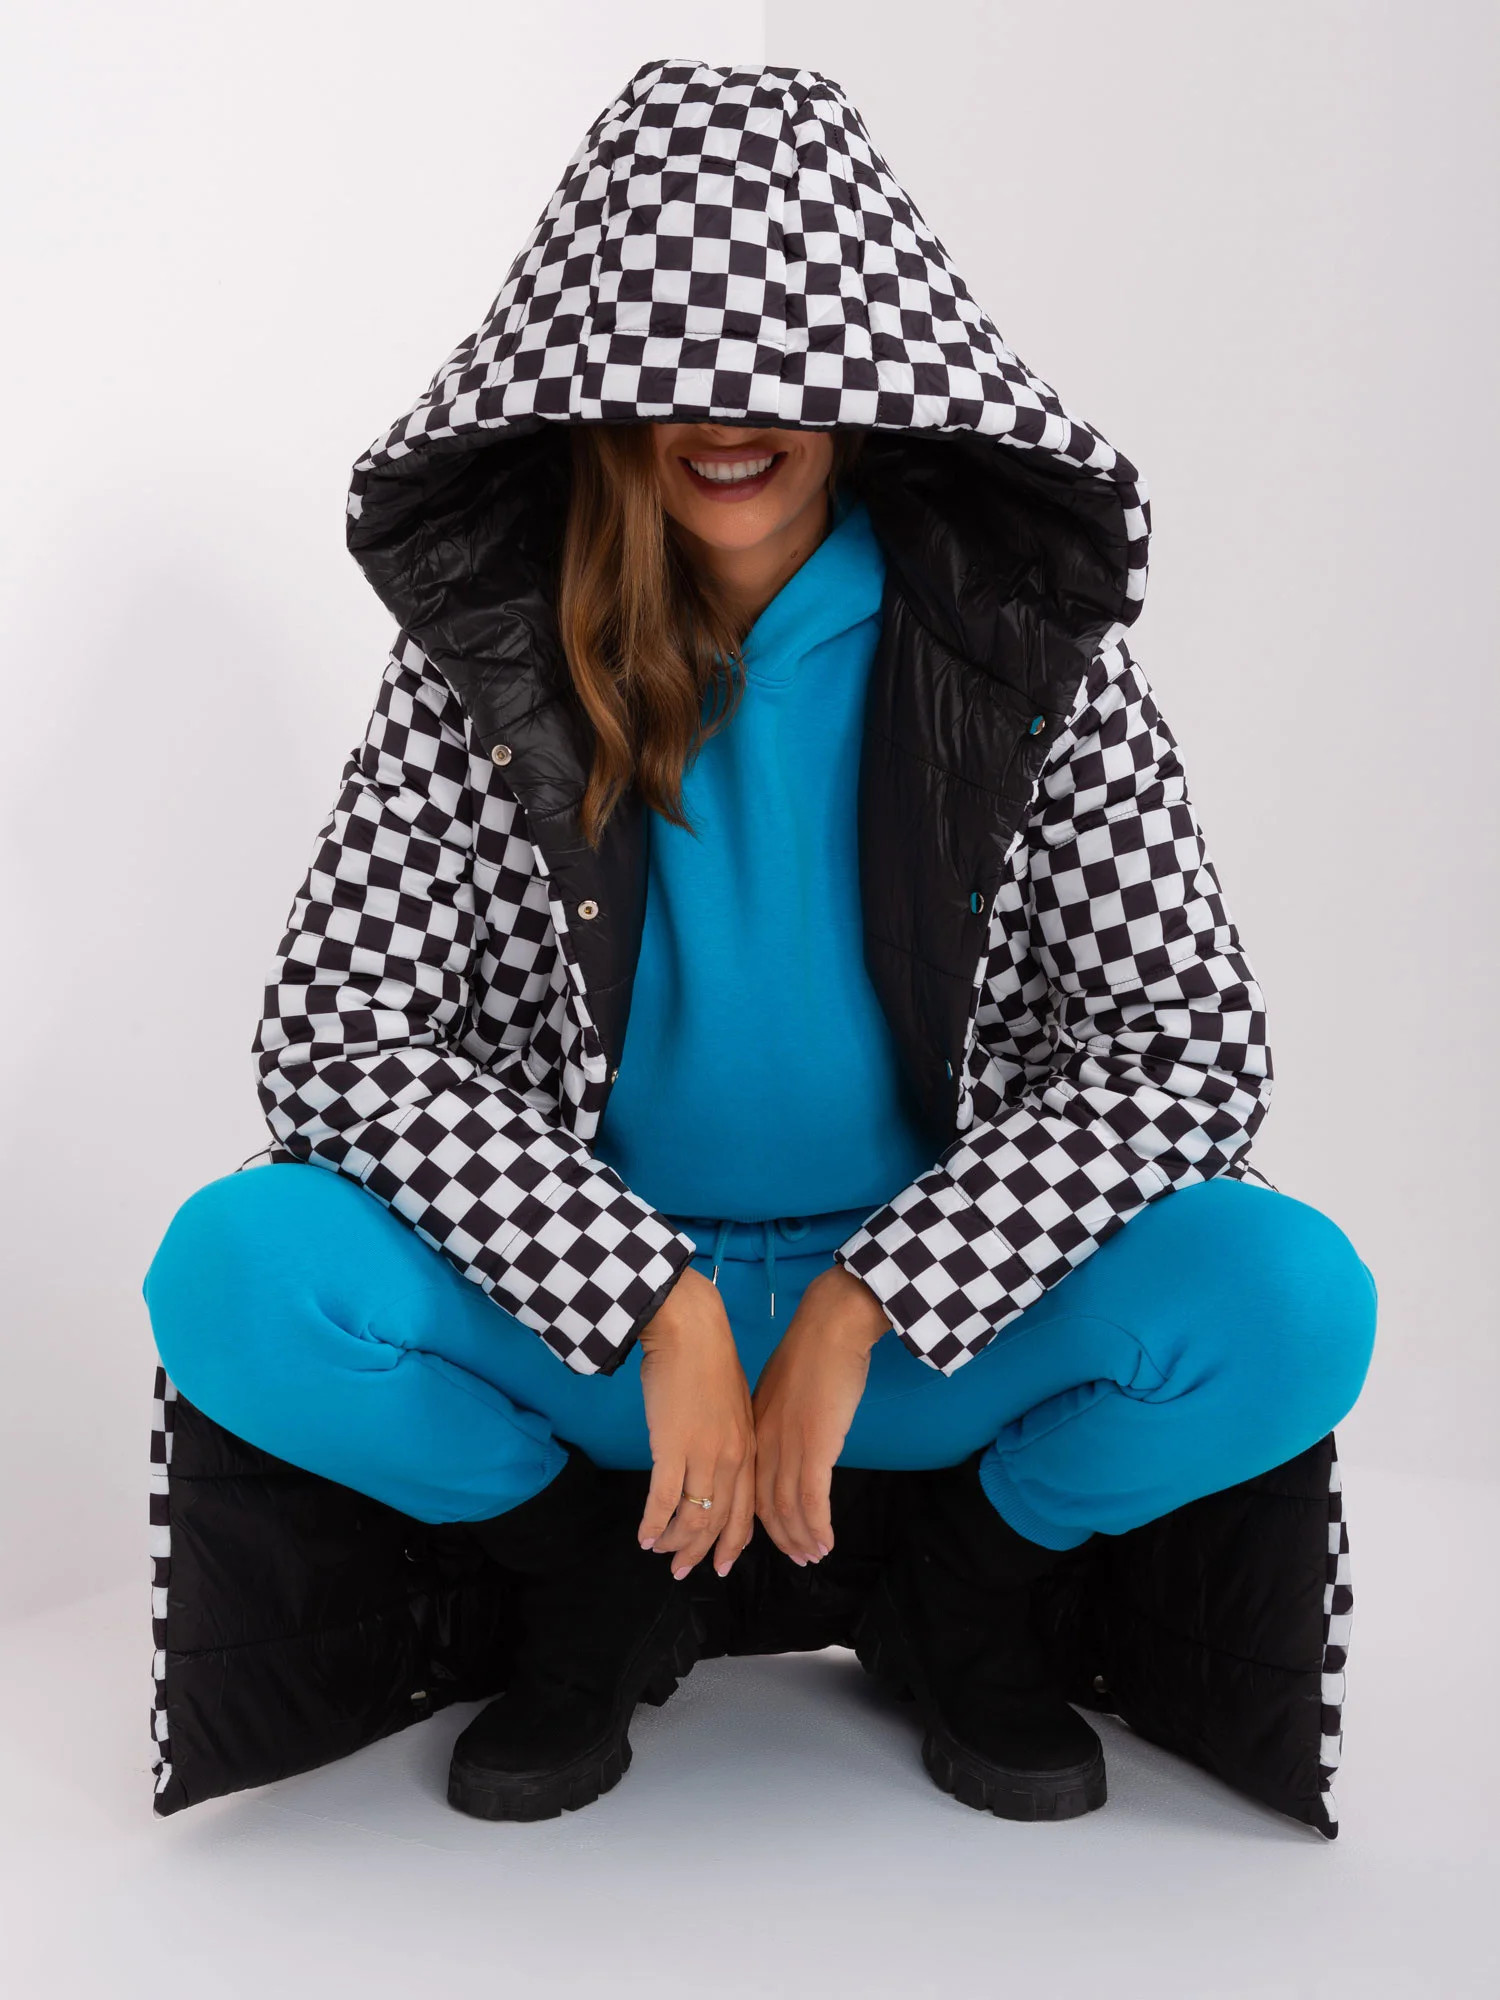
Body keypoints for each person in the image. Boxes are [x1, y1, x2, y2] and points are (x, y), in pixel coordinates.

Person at [143, 59, 1377, 1828]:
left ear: (869, 384)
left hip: (927, 1342)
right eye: (671, 369)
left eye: (780, 367)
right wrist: (644, 1294)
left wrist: (883, 1294)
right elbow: (337, 1038)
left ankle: (960, 1591)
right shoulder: (485, 661)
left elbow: (1188, 1050)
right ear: (595, 389)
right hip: (594, 1341)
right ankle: (590, 1577)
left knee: (1293, 1299)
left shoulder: (1025, 658)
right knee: (234, 1272)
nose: (726, 415)